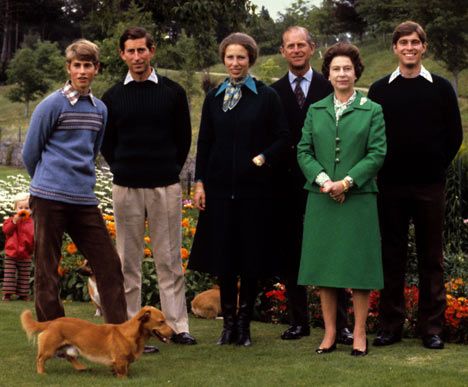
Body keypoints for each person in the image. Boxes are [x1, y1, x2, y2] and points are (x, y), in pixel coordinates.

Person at [189, 32, 289, 346]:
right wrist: (199, 182)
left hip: (255, 192)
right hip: (218, 191)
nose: (235, 63)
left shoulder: (266, 95)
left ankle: (244, 326)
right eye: (230, 57)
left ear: (250, 60)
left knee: (249, 259)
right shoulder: (214, 96)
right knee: (225, 258)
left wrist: (261, 158)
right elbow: (205, 143)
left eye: (241, 58)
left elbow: (284, 138)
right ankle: (228, 325)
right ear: (224, 59)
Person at [368, 21, 463, 350]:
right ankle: (390, 326)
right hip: (390, 186)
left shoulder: (440, 88)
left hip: (429, 187)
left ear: (424, 47)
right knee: (390, 257)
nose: (409, 47)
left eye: (415, 42)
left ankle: (432, 329)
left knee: (431, 258)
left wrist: (434, 166)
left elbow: (455, 135)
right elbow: (371, 137)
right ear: (394, 48)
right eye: (403, 42)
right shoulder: (380, 90)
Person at [101, 27, 196, 348]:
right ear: (122, 55)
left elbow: (183, 138)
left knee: (169, 259)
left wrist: (169, 169)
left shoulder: (172, 92)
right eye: (130, 51)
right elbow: (107, 143)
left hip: (164, 186)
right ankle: (133, 330)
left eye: (142, 50)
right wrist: (123, 168)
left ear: (152, 51)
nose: (137, 57)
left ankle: (177, 326)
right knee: (128, 262)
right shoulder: (112, 97)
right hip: (126, 186)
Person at [22, 39, 127, 324]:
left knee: (108, 264)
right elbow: (30, 152)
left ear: (96, 69)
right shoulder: (51, 105)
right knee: (47, 268)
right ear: (69, 68)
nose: (82, 71)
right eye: (77, 65)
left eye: (88, 66)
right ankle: (54, 336)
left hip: (83, 200)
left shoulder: (100, 110)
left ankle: (119, 334)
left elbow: (92, 153)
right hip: (49, 198)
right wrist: (46, 184)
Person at [297, 42, 386, 356]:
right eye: (336, 68)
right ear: (329, 73)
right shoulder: (316, 109)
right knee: (325, 268)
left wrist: (346, 182)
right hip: (322, 198)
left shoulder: (372, 109)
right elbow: (303, 150)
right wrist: (324, 182)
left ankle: (360, 332)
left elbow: (377, 154)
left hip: (358, 198)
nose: (342, 73)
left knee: (359, 269)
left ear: (356, 71)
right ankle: (330, 333)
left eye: (347, 68)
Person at [271, 26, 353, 344]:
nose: (295, 50)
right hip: (286, 185)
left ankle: (342, 325)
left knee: (333, 252)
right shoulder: (273, 92)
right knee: (292, 254)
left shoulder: (328, 86)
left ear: (312, 48)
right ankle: (298, 321)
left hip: (327, 183)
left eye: (301, 45)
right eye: (290, 46)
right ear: (282, 51)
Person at [2, 192, 34, 301]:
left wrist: (32, 248)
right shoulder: (11, 221)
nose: (23, 210)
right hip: (12, 253)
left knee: (24, 275)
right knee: (9, 274)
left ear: (31, 210)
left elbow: (34, 236)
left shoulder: (32, 223)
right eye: (20, 207)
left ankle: (23, 294)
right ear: (15, 208)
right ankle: (7, 294)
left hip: (25, 253)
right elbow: (6, 230)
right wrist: (14, 222)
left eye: (27, 208)